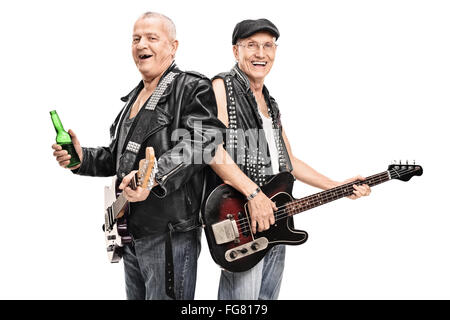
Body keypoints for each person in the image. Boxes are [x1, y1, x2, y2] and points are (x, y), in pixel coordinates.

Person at [51, 12, 228, 300]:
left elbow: (204, 141)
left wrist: (155, 175)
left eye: (151, 37)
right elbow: (116, 158)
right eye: (136, 38)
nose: (141, 44)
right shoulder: (132, 101)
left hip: (168, 235)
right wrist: (81, 158)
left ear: (173, 46)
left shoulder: (192, 87)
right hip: (132, 232)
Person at [208, 18, 371, 300]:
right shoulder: (222, 86)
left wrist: (337, 186)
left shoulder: (270, 103)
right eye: (252, 45)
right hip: (242, 219)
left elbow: (289, 162)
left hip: (275, 220)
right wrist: (255, 195)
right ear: (236, 51)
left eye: (268, 46)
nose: (261, 53)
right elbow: (210, 149)